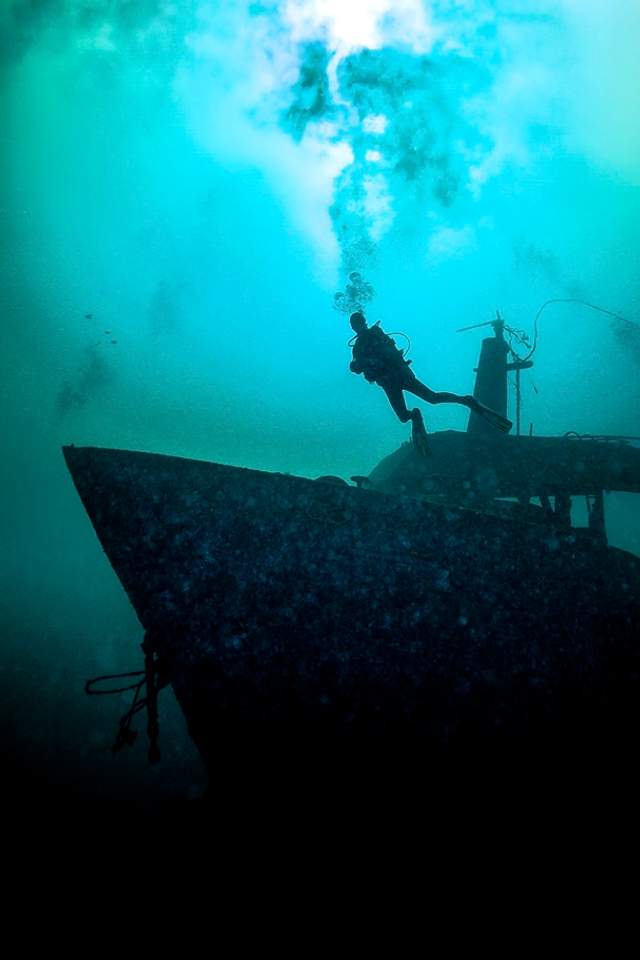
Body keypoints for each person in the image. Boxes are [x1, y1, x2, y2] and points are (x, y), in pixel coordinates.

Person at [348, 311, 512, 453]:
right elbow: (364, 364)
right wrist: (357, 365)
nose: (358, 327)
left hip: (395, 378)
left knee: (425, 403)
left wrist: (357, 365)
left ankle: (458, 403)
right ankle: (459, 402)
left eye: (358, 323)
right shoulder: (366, 342)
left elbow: (367, 362)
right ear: (357, 325)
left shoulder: (368, 340)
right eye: (356, 324)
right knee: (420, 406)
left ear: (360, 324)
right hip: (396, 379)